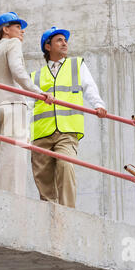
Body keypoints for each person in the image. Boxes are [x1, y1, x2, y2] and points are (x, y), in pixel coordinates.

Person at [0, 12, 55, 196]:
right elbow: (17, 71)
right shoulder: (13, 44)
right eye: (18, 27)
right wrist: (38, 92)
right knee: (14, 159)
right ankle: (14, 201)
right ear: (6, 30)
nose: (22, 31)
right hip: (13, 107)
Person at [29, 26, 107, 208]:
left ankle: (68, 213)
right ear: (48, 47)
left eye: (65, 40)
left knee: (65, 165)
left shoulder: (76, 65)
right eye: (59, 40)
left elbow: (89, 87)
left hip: (67, 131)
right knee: (43, 177)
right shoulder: (35, 76)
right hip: (41, 134)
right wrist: (24, 133)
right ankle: (50, 215)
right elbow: (27, 106)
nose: (65, 43)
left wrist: (98, 104)